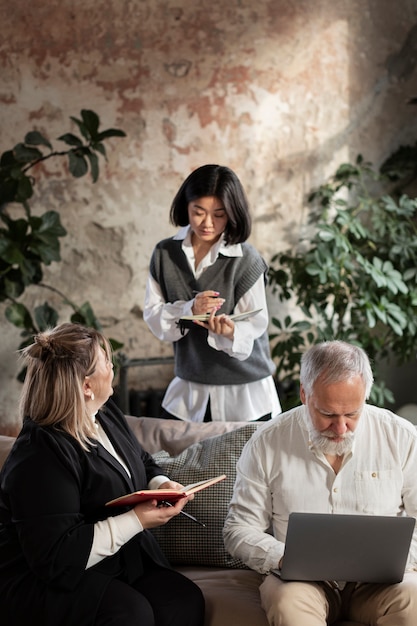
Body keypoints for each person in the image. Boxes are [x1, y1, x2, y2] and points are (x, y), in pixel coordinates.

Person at [0, 322, 205, 626]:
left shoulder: (105, 414)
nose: (112, 367)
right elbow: (58, 556)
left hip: (113, 560)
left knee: (182, 600)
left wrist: (162, 485)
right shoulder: (40, 454)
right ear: (86, 385)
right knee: (130, 615)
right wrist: (137, 519)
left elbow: (143, 460)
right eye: (105, 362)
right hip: (50, 574)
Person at [223, 340, 417, 626]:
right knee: (287, 603)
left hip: (380, 584)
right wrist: (284, 557)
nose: (340, 428)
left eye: (352, 414)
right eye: (327, 414)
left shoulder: (401, 436)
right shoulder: (267, 441)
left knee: (413, 598)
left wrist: (400, 559)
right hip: (301, 582)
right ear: (304, 394)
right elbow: (238, 529)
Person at [143, 163, 281, 422]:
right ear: (186, 206)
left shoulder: (246, 260)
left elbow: (255, 324)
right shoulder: (164, 255)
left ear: (232, 213)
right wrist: (189, 309)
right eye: (198, 212)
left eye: (219, 214)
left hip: (247, 396)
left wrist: (229, 331)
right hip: (190, 389)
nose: (207, 223)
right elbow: (154, 316)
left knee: (246, 462)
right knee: (171, 459)